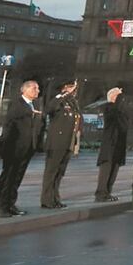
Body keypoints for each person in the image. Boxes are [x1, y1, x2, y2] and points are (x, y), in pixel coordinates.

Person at [0, 80, 42, 218]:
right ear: (25, 90)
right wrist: (30, 112)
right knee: (8, 177)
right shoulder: (17, 104)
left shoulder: (33, 105)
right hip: (13, 148)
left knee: (17, 178)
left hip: (27, 148)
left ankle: (10, 204)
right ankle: (1, 206)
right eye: (34, 88)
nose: (37, 91)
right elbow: (12, 118)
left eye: (38, 88)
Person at [41, 79, 82, 209]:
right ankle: (47, 200)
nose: (73, 91)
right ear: (64, 88)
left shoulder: (73, 103)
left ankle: (55, 198)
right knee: (51, 172)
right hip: (56, 143)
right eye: (71, 88)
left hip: (68, 142)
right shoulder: (58, 101)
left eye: (74, 89)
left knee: (59, 173)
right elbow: (49, 108)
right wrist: (62, 95)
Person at [95, 87, 128, 202]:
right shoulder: (108, 107)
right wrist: (117, 101)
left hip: (118, 144)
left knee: (114, 169)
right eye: (119, 96)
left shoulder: (121, 110)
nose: (122, 99)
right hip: (109, 144)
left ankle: (108, 191)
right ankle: (101, 192)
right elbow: (113, 115)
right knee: (106, 169)